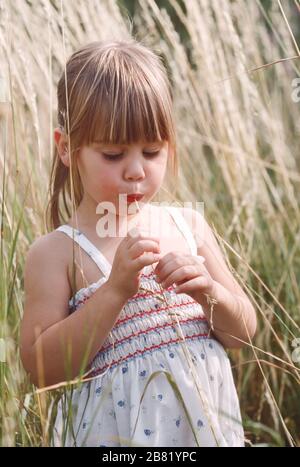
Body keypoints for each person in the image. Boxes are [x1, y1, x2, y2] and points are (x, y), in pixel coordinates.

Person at [20, 39, 257, 447]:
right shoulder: (57, 253)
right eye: (113, 154)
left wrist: (209, 293)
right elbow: (42, 369)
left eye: (151, 151)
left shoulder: (189, 227)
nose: (135, 171)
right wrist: (113, 292)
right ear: (66, 149)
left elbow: (244, 335)